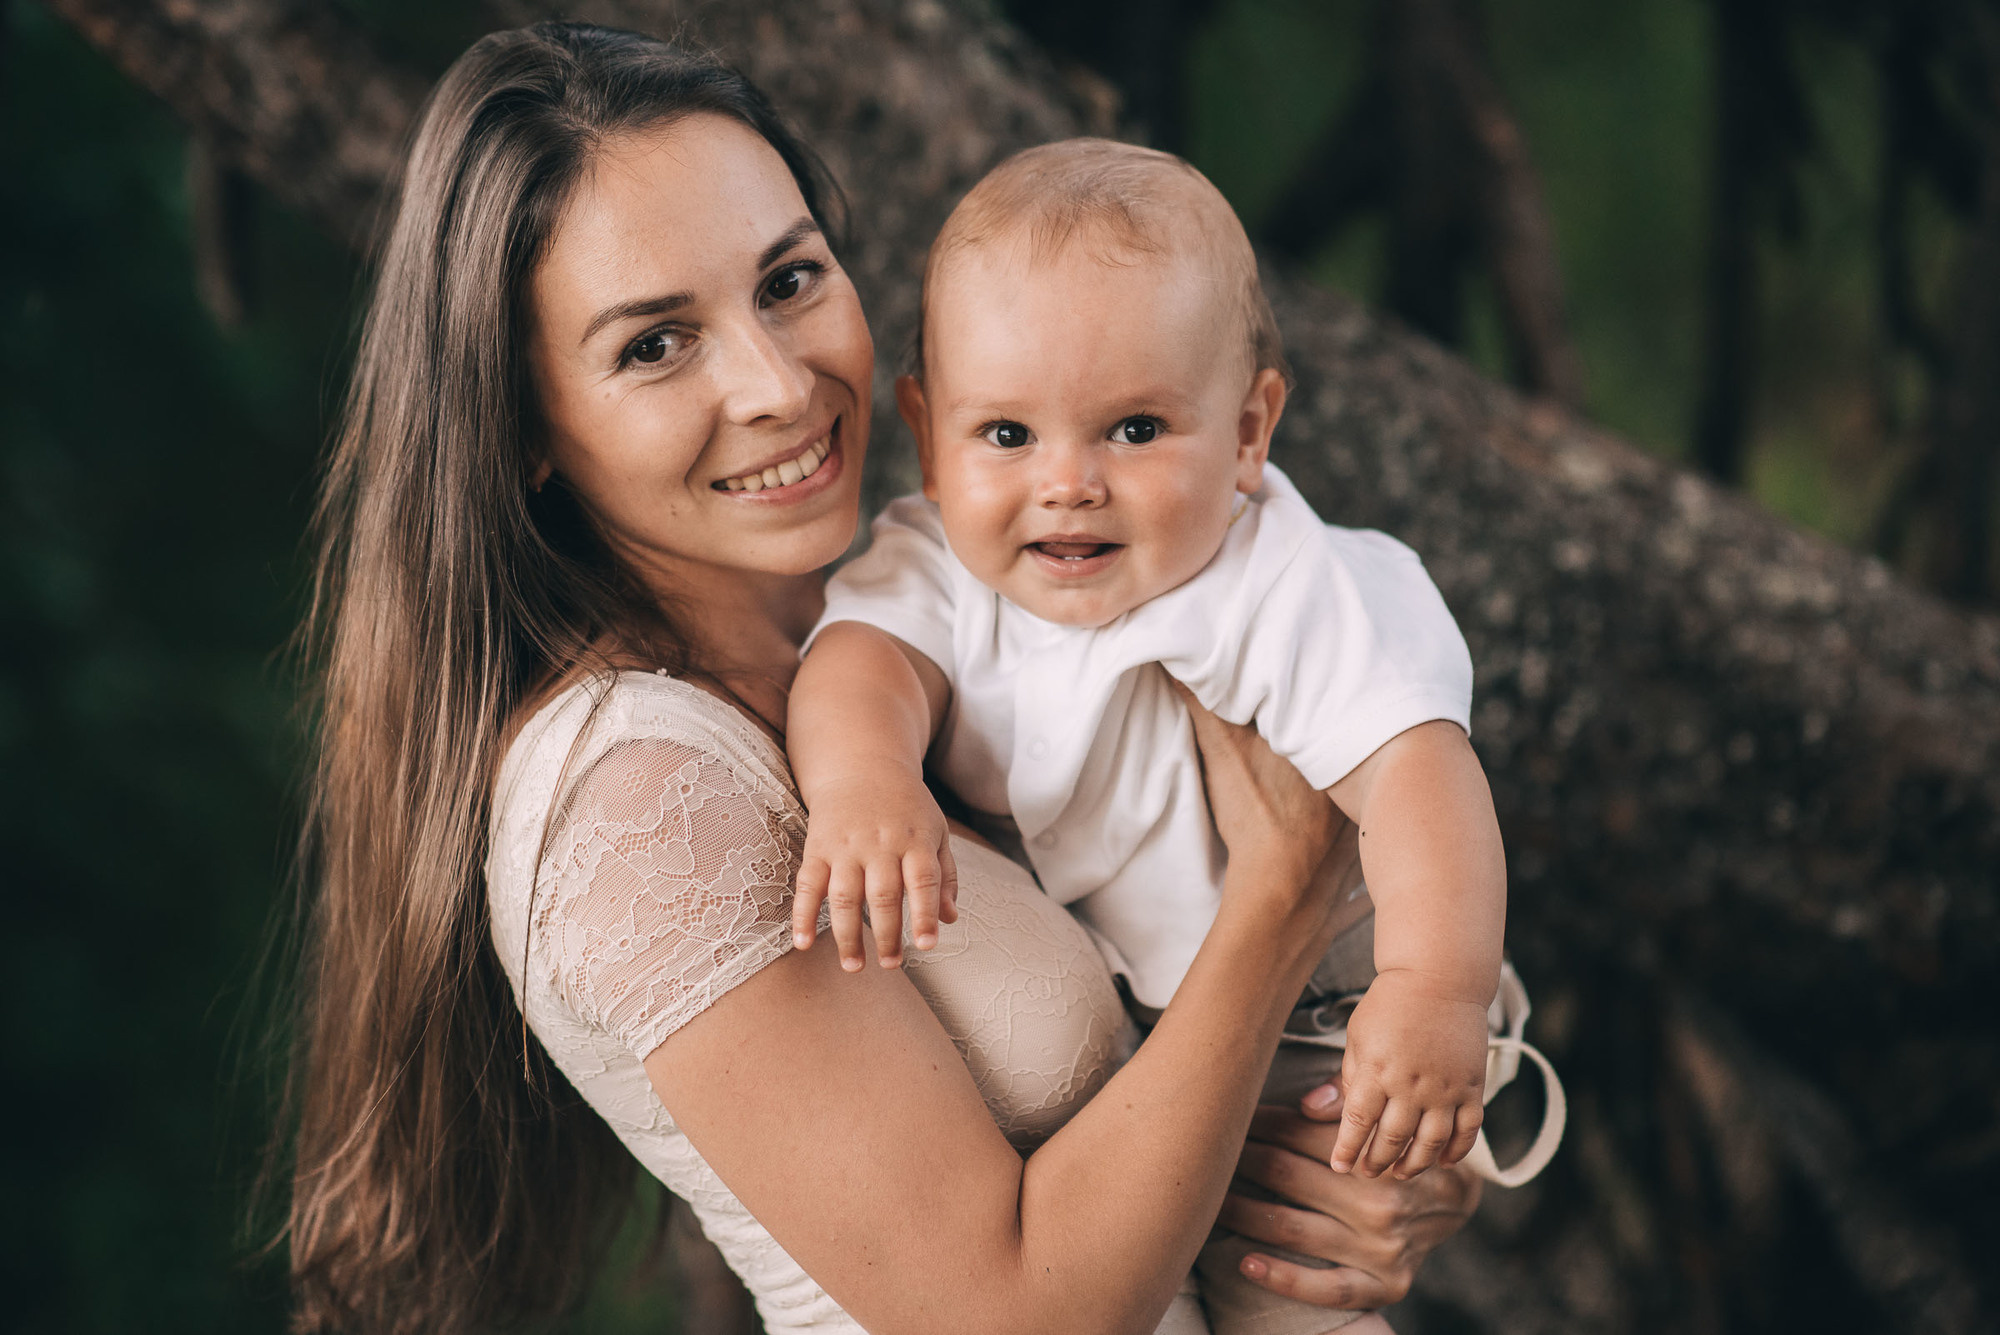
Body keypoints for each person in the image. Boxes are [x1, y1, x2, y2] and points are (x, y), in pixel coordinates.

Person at [276, 23, 1481, 1335]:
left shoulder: (955, 618)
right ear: (524, 432)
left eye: (788, 280)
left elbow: (1157, 1098)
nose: (777, 383)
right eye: (653, 345)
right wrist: (1284, 899)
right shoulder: (631, 800)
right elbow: (1010, 1311)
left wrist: (1368, 1160)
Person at [785, 140, 1564, 1333]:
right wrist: (864, 782)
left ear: (1249, 432)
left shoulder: (1285, 585)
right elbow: (859, 666)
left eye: (1135, 430)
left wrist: (1434, 994)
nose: (1067, 483)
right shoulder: (935, 570)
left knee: (1299, 1288)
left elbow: (1420, 777)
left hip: (1325, 1033)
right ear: (928, 433)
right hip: (1141, 1053)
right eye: (1005, 436)